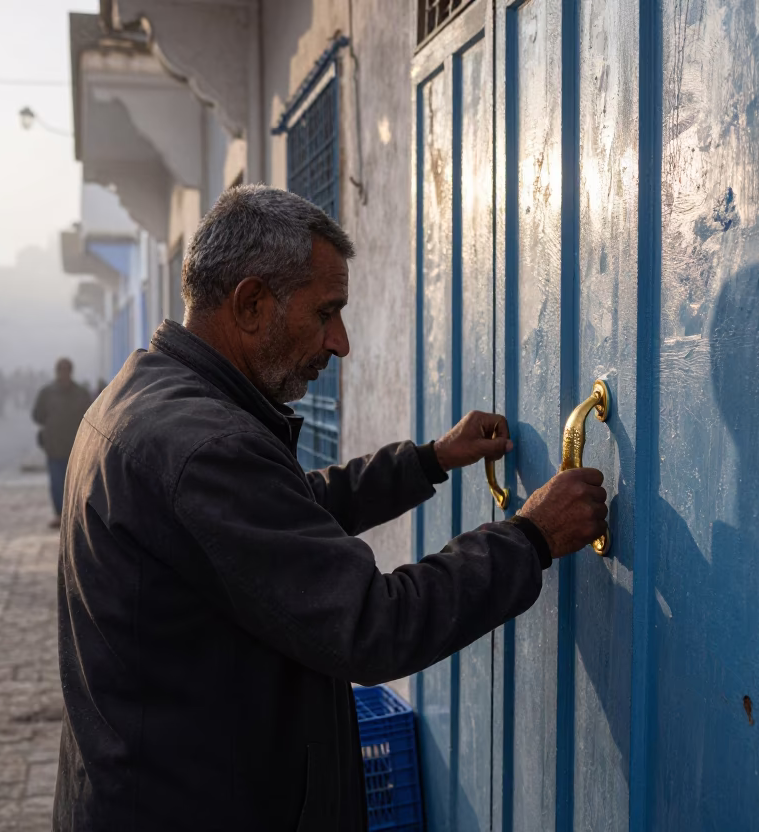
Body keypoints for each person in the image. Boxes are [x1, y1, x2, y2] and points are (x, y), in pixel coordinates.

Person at [53, 187, 609, 831]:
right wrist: (531, 537)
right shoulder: (205, 447)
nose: (340, 343)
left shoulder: (146, 398)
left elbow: (282, 518)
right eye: (326, 313)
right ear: (252, 304)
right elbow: (374, 626)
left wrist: (428, 460)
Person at [32, 358, 93, 529]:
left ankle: (75, 514)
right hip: (54, 446)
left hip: (77, 446)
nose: (64, 374)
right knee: (57, 482)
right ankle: (60, 514)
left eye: (66, 370)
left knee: (76, 481)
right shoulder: (46, 393)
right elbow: (37, 415)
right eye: (61, 370)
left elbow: (91, 415)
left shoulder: (81, 393)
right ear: (57, 372)